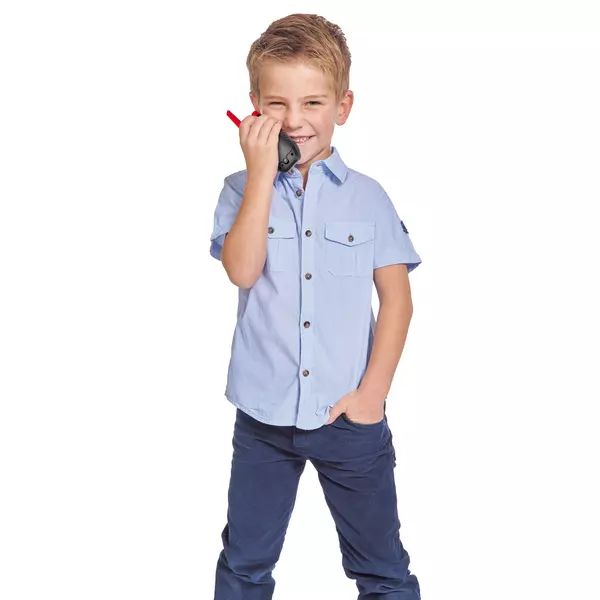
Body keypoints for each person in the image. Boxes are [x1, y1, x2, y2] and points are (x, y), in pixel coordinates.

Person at [209, 13, 422, 600]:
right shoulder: (238, 190)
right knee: (244, 565)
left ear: (343, 106)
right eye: (276, 103)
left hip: (347, 416)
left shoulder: (368, 198)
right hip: (263, 417)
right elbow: (242, 270)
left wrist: (372, 396)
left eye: (313, 102)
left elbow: (398, 301)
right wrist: (260, 176)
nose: (294, 120)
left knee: (383, 570)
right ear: (254, 107)